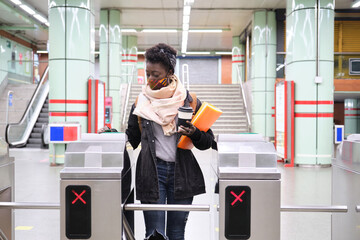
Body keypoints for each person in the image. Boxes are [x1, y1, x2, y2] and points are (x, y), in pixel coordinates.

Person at [125, 43, 215, 240]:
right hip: (152, 172)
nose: (150, 79)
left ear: (170, 72)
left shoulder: (189, 101)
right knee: (154, 234)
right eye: (147, 73)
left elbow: (207, 141)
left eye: (155, 74)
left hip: (181, 174)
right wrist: (112, 135)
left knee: (176, 233)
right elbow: (132, 137)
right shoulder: (141, 103)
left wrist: (194, 133)